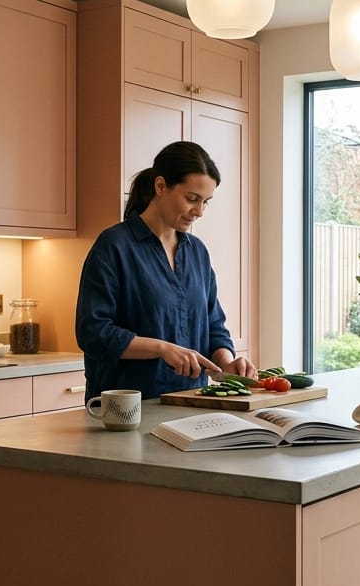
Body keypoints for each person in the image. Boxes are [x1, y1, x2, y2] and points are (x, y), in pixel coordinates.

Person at [75, 140, 257, 401]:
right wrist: (162, 349)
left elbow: (213, 325)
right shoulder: (114, 246)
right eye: (192, 199)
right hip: (126, 410)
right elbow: (93, 331)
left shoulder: (197, 252)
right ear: (160, 186)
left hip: (191, 401)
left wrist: (227, 363)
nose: (200, 211)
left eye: (206, 202)